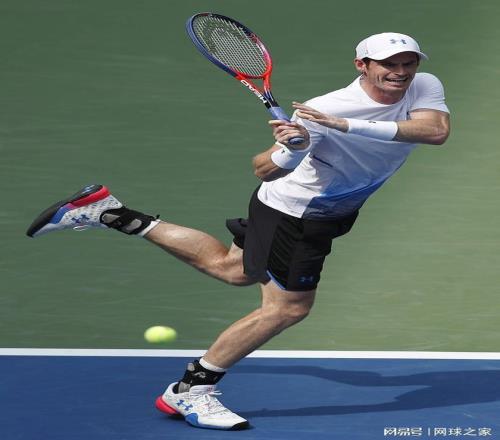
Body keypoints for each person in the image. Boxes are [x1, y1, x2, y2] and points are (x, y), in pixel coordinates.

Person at [26, 32, 450, 430]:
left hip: (329, 210)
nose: (400, 72)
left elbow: (435, 132)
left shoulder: (421, 86)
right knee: (288, 309)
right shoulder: (320, 110)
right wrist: (292, 151)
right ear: (362, 65)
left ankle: (111, 213)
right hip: (295, 215)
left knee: (233, 270)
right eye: (388, 64)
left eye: (407, 63)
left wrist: (343, 126)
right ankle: (191, 390)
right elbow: (263, 169)